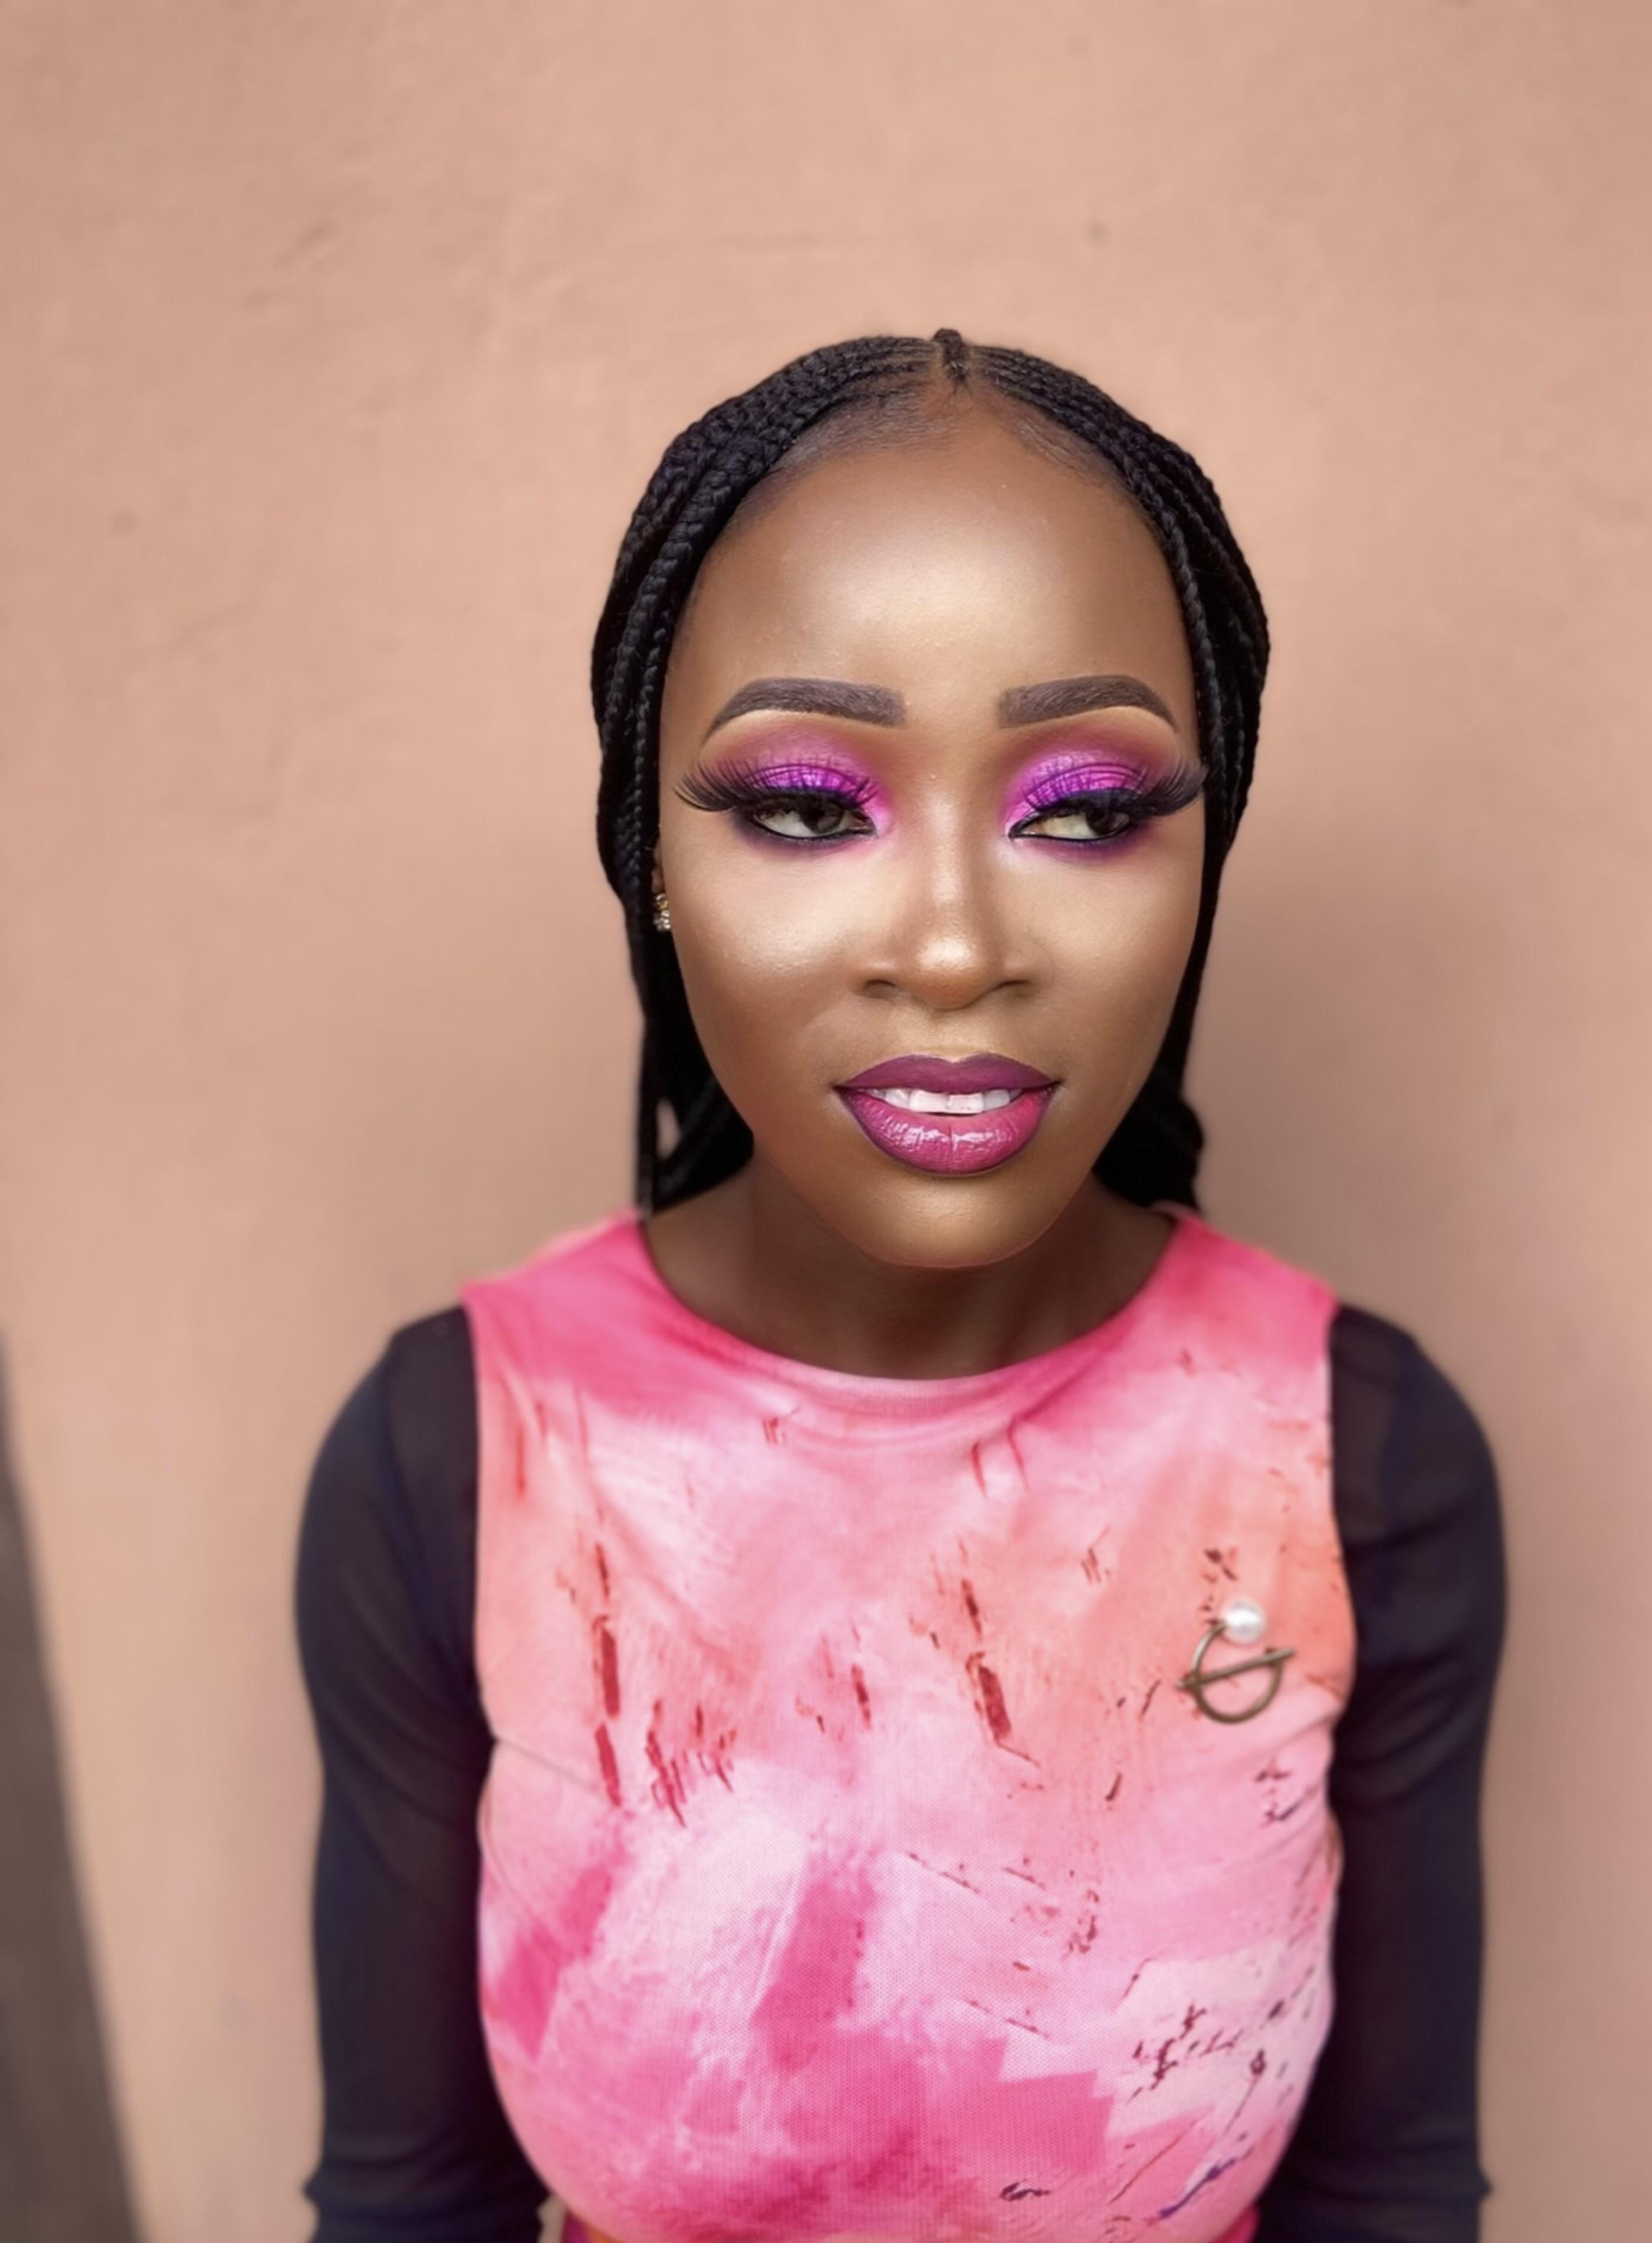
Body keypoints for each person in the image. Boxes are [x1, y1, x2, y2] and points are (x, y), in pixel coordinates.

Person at [295, 331, 1505, 2243]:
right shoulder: (450, 1460)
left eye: (1088, 809)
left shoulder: (1365, 1460)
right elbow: (408, 2208)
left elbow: (1390, 2196)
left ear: (1204, 858)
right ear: (652, 854)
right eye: (803, 802)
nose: (952, 947)